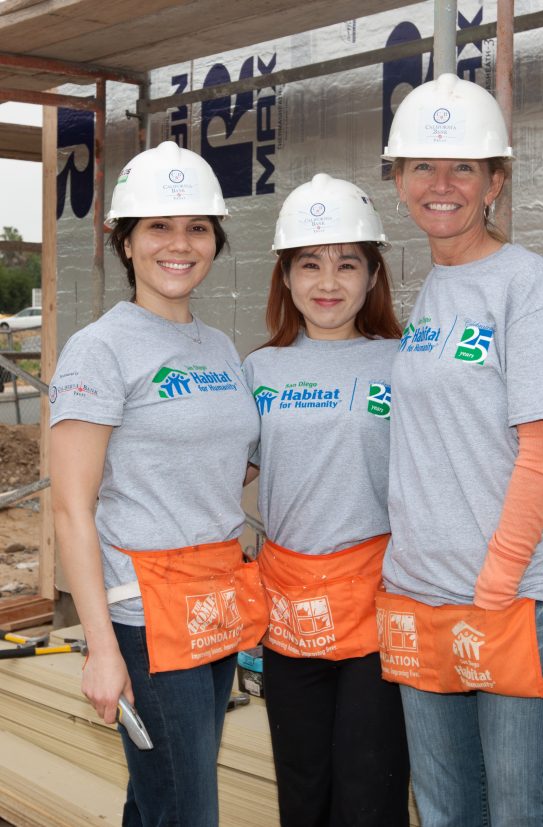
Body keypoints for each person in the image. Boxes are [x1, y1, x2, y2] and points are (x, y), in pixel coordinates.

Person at [376, 74, 543, 827]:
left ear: (496, 180)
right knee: (443, 810)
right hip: (423, 595)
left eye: (464, 166)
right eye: (422, 168)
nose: (442, 185)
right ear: (399, 180)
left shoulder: (527, 287)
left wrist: (493, 587)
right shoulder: (435, 288)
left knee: (518, 812)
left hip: (514, 599)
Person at [49, 141, 267, 827]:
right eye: (159, 227)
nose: (181, 244)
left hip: (215, 606)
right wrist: (101, 648)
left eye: (197, 227)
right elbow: (70, 509)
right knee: (188, 810)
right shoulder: (101, 348)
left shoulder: (218, 346)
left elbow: (231, 466)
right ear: (125, 241)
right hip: (144, 621)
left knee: (160, 801)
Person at [242, 173, 410, 827]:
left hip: (380, 607)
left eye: (347, 263)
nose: (328, 282)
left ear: (373, 275)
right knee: (303, 791)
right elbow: (219, 476)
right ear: (285, 277)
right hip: (290, 615)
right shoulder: (259, 371)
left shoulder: (404, 362)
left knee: (369, 793)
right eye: (309, 264)